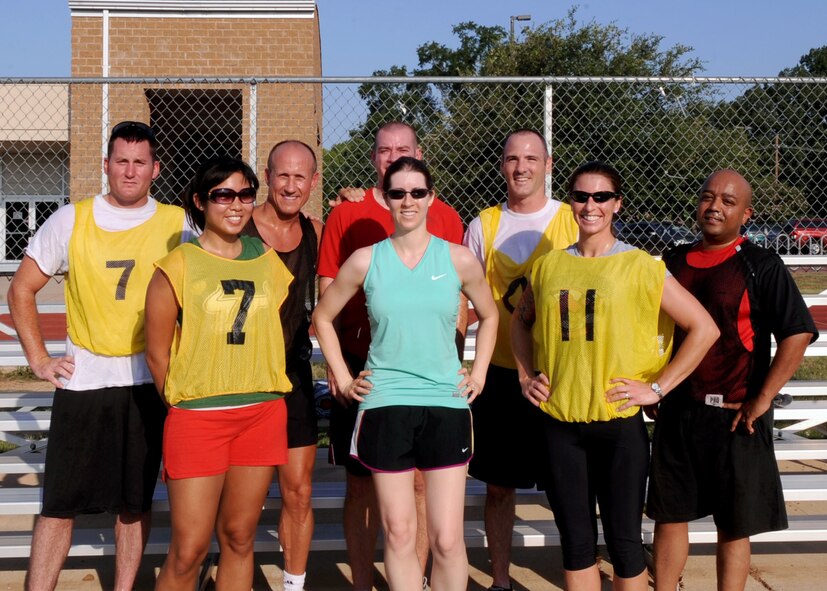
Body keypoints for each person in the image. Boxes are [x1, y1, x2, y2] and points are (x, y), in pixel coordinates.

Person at [510, 160, 719, 591]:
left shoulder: (641, 266)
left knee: (624, 543)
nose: (591, 205)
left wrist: (658, 386)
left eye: (601, 197)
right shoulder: (548, 267)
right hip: (560, 423)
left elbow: (704, 329)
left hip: (618, 424)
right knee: (576, 544)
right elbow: (519, 321)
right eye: (581, 196)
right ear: (570, 203)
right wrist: (525, 375)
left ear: (617, 204)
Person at [7, 121, 186, 591]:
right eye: (121, 161)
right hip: (84, 381)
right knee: (59, 505)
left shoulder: (176, 223)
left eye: (140, 162)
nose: (130, 171)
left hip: (147, 382)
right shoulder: (71, 218)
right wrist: (40, 360)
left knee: (134, 503)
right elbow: (21, 288)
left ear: (155, 169)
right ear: (106, 165)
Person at [314, 156, 498, 591]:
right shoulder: (365, 260)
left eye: (418, 192)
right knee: (398, 533)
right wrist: (341, 375)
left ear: (430, 197)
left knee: (448, 539)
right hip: (385, 404)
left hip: (445, 403)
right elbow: (322, 318)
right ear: (385, 197)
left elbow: (490, 316)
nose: (408, 201)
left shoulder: (457, 258)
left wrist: (480, 373)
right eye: (398, 193)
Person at [646, 169, 818, 591]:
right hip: (680, 413)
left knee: (734, 525)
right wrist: (655, 383)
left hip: (736, 416)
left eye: (727, 200)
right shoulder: (672, 261)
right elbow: (656, 331)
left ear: (746, 213)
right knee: (670, 516)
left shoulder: (761, 264)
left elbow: (797, 332)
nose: (715, 206)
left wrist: (762, 399)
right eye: (708, 197)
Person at [144, 156, 293, 591]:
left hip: (262, 414)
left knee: (240, 537)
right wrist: (186, 403)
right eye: (223, 194)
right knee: (188, 550)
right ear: (200, 201)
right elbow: (157, 355)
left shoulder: (267, 260)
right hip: (198, 418)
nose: (236, 204)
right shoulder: (178, 264)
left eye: (245, 194)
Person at [461, 128, 578, 591]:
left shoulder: (575, 219)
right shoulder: (483, 225)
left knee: (569, 490)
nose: (521, 166)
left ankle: (579, 575)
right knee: (498, 486)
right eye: (512, 158)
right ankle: (502, 582)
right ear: (502, 165)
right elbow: (462, 301)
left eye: (532, 158)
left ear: (548, 165)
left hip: (561, 376)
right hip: (505, 375)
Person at [242, 140, 323, 591]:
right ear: (268, 177)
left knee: (299, 491)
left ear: (313, 182)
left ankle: (294, 584)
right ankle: (235, 575)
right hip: (241, 376)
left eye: (300, 177)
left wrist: (357, 200)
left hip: (293, 375)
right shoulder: (237, 225)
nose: (290, 186)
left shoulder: (317, 229)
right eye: (282, 175)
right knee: (242, 502)